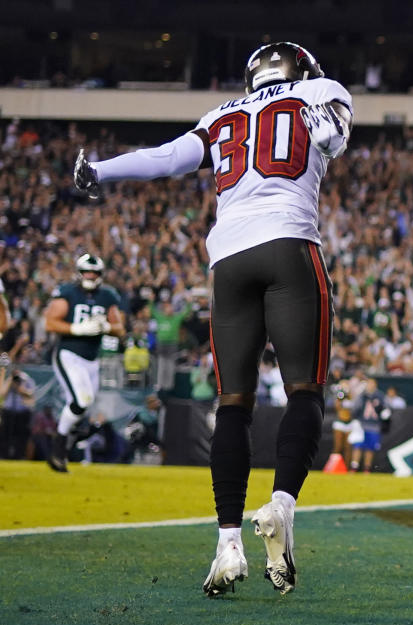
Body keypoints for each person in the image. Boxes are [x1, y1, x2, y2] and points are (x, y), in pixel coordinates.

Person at [72, 41, 353, 596]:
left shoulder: (223, 113)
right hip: (289, 243)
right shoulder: (322, 91)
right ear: (303, 70)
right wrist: (323, 125)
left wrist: (99, 171)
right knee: (305, 391)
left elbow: (165, 157)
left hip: (227, 259)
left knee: (233, 404)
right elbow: (332, 139)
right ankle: (281, 507)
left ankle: (227, 544)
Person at [44, 254, 126, 472]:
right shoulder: (68, 292)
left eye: (94, 273)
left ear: (100, 274)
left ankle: (62, 449)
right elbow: (50, 323)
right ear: (79, 273)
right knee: (82, 400)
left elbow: (120, 328)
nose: (90, 276)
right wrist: (76, 329)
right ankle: (58, 446)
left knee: (83, 407)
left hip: (92, 360)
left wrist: (105, 327)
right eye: (86, 272)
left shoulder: (107, 295)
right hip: (69, 354)